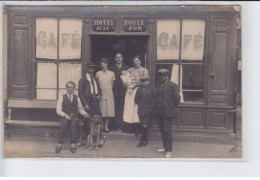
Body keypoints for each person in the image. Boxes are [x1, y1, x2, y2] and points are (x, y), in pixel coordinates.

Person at [55, 81, 89, 153]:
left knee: (74, 125)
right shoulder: (61, 97)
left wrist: (84, 113)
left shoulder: (77, 98)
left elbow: (80, 109)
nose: (70, 89)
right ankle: (59, 144)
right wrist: (65, 115)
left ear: (74, 89)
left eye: (72, 87)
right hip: (65, 116)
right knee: (64, 124)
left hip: (74, 117)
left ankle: (73, 144)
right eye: (68, 87)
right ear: (66, 88)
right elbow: (58, 110)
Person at [155, 69, 181, 158]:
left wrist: (171, 108)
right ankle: (165, 147)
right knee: (162, 130)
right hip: (159, 111)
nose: (162, 77)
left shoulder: (173, 85)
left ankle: (169, 151)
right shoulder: (159, 85)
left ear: (167, 76)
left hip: (168, 112)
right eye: (160, 75)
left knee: (167, 131)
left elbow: (177, 99)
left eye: (164, 75)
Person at [123, 55, 149, 135]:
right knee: (130, 108)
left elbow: (145, 81)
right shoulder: (130, 70)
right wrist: (126, 84)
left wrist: (135, 85)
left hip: (138, 90)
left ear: (140, 61)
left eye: (137, 61)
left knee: (136, 108)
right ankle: (130, 127)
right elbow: (125, 78)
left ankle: (138, 128)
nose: (136, 63)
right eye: (134, 61)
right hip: (130, 91)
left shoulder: (144, 70)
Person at [78, 62, 102, 144]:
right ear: (87, 69)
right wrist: (85, 104)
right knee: (88, 119)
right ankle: (87, 139)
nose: (91, 70)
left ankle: (97, 138)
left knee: (97, 118)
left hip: (95, 101)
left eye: (92, 69)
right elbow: (80, 93)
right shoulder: (83, 80)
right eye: (89, 69)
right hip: (88, 101)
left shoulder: (95, 79)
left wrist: (99, 95)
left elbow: (99, 89)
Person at [109, 53, 129, 131]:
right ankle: (114, 125)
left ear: (122, 58)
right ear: (114, 59)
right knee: (115, 108)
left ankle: (122, 125)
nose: (118, 59)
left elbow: (128, 79)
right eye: (117, 57)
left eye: (120, 57)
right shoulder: (111, 67)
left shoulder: (126, 67)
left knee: (122, 108)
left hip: (123, 91)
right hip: (114, 90)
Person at [95, 58, 116, 133]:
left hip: (109, 93)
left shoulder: (111, 73)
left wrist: (108, 90)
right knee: (102, 110)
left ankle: (106, 126)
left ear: (107, 64)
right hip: (101, 93)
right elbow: (96, 84)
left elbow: (112, 84)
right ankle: (102, 125)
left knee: (108, 111)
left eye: (104, 63)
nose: (103, 65)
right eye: (102, 64)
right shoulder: (98, 73)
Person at [134, 73, 154, 147]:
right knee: (142, 125)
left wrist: (150, 108)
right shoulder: (139, 90)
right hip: (141, 110)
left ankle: (141, 141)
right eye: (142, 81)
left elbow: (154, 100)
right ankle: (144, 140)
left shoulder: (152, 89)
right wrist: (142, 103)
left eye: (145, 81)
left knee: (145, 125)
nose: (144, 82)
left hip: (149, 111)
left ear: (148, 81)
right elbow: (136, 100)